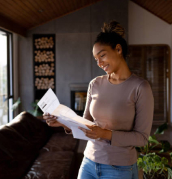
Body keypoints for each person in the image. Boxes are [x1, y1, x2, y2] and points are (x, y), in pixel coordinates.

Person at [43, 21, 154, 179]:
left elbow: (142, 138)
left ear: (118, 49)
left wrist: (105, 133)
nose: (99, 63)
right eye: (96, 59)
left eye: (102, 55)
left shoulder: (140, 87)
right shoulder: (95, 84)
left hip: (119, 168)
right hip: (88, 162)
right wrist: (62, 122)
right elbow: (86, 123)